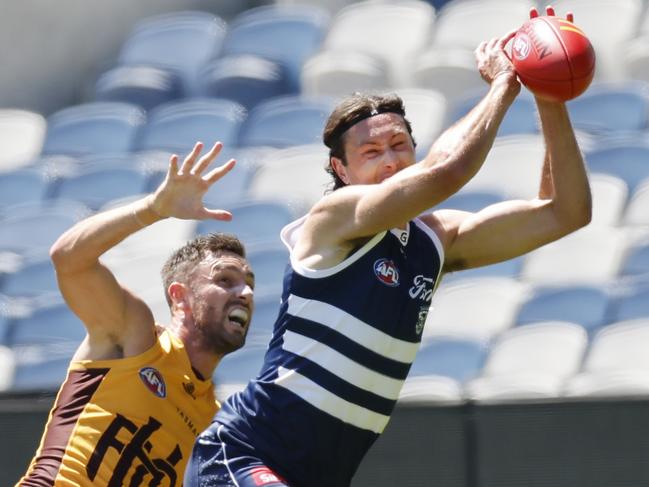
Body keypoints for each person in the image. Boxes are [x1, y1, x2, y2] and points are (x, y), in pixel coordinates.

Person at [186, 7, 592, 487]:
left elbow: (566, 211)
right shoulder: (332, 220)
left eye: (400, 145)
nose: (390, 161)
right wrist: (504, 85)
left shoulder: (436, 240)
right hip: (248, 451)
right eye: (371, 153)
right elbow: (446, 173)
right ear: (341, 171)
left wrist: (549, 95)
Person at [17, 142, 255, 486]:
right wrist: (153, 208)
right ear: (181, 297)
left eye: (249, 284)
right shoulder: (137, 335)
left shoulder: (212, 426)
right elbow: (69, 260)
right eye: (225, 280)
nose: (245, 293)